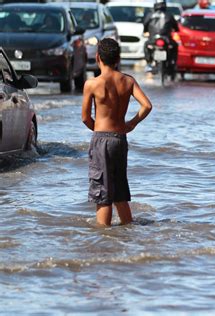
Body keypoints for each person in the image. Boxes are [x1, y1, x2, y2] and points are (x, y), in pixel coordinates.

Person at [81, 38, 153, 226]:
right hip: (120, 139)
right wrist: (132, 123)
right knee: (120, 190)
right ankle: (127, 233)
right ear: (118, 59)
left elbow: (85, 118)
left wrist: (97, 130)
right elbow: (147, 105)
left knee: (102, 194)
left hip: (101, 139)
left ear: (97, 57)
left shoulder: (92, 84)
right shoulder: (128, 81)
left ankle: (104, 239)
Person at [143, 0, 179, 72]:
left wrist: (145, 31)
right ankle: (173, 62)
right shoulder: (169, 15)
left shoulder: (150, 15)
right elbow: (176, 27)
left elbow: (145, 25)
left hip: (153, 39)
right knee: (175, 45)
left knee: (146, 45)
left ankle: (149, 63)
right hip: (166, 39)